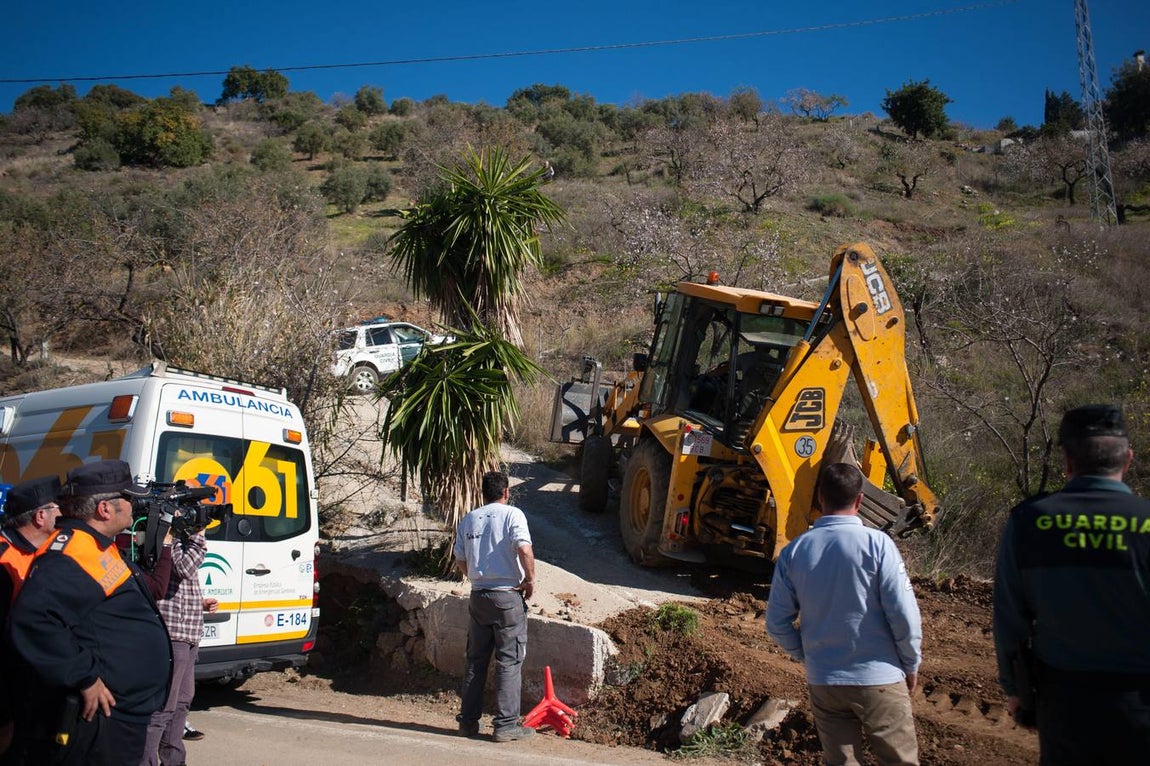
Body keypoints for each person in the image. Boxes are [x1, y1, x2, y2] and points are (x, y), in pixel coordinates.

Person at [993, 404, 1150, 764]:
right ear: (1127, 460)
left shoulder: (1029, 521)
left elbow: (1009, 616)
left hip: (1064, 702)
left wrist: (1015, 689)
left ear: (1066, 460)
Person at [8, 459, 172, 766]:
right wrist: (84, 677)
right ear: (105, 509)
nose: (133, 506)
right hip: (102, 722)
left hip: (121, 714)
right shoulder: (71, 554)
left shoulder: (94, 543)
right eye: (128, 499)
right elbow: (33, 618)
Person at [766, 462, 921, 766]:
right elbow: (903, 614)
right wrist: (911, 661)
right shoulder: (879, 545)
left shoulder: (794, 551)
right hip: (880, 678)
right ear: (860, 500)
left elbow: (776, 623)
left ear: (820, 498)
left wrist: (808, 656)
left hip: (824, 681)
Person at [452, 471, 536, 743]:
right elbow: (524, 549)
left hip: (479, 596)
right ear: (506, 492)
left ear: (482, 493)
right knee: (509, 660)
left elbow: (460, 560)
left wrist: (477, 578)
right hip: (507, 597)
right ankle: (505, 725)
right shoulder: (513, 515)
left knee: (475, 660)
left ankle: (467, 722)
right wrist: (530, 581)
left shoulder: (469, 518)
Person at [0, 475, 62, 759]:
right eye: (56, 507)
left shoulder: (49, 552)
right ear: (40, 516)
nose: (62, 513)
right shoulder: (3, 555)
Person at [141, 529, 208, 766]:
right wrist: (200, 536)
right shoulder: (167, 538)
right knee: (165, 706)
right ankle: (146, 761)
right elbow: (183, 568)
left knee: (182, 701)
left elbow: (183, 582)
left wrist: (201, 602)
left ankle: (173, 760)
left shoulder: (184, 541)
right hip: (172, 632)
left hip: (189, 631)